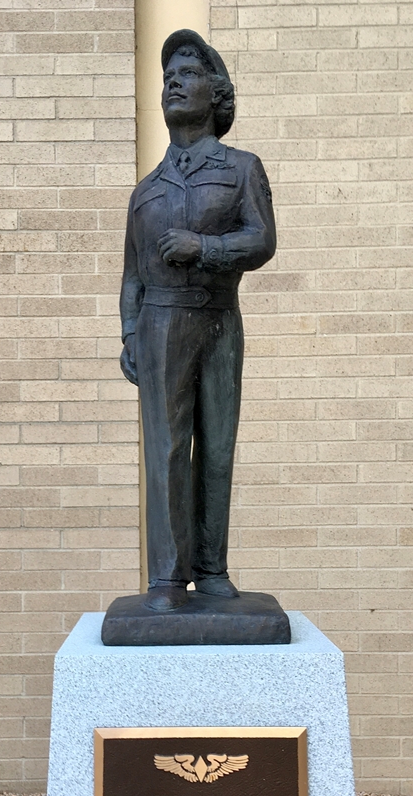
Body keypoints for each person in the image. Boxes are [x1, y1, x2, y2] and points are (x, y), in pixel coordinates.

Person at [120, 30, 276, 612]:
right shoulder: (146, 192)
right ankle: (167, 576)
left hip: (218, 323)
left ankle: (211, 569)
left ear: (218, 93)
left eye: (188, 72)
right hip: (160, 325)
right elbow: (132, 275)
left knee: (216, 447)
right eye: (168, 77)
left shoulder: (240, 170)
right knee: (165, 448)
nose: (173, 82)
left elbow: (261, 240)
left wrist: (203, 248)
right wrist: (129, 334)